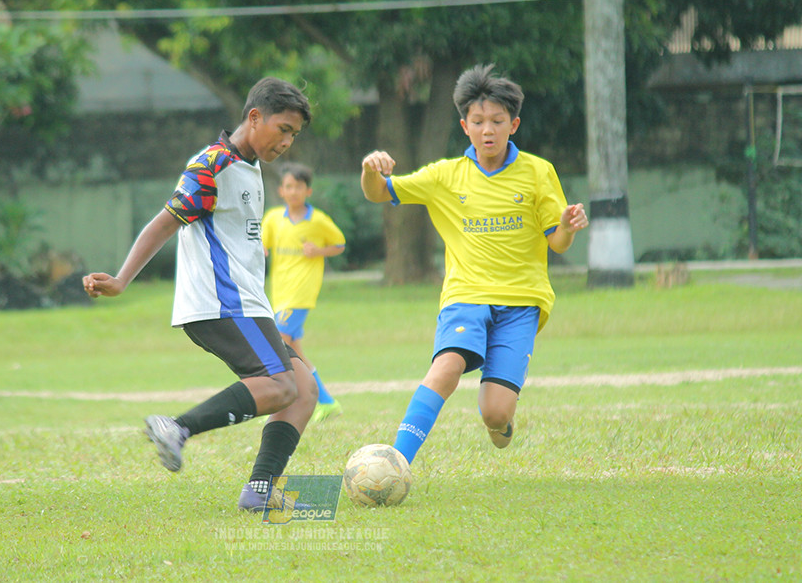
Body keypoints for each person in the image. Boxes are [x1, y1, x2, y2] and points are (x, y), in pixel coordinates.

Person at [83, 77, 318, 512]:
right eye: (283, 129)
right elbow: (165, 222)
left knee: (303, 389)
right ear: (254, 117)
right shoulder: (213, 164)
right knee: (282, 385)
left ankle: (259, 493)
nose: (288, 142)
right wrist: (120, 280)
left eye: (294, 135)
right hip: (220, 303)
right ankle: (176, 427)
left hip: (246, 303)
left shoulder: (248, 165)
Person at [360, 63, 588, 465]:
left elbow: (557, 242)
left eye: (497, 121)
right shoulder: (446, 176)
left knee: (495, 412)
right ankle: (397, 462)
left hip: (522, 303)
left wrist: (568, 227)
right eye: (478, 121)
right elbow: (380, 193)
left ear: (513, 125)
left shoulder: (538, 173)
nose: (488, 130)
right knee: (446, 368)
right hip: (466, 295)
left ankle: (500, 423)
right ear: (464, 126)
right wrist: (369, 170)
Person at [262, 162, 346, 423]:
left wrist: (319, 251)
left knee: (278, 342)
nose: (294, 191)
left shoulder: (318, 220)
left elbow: (339, 244)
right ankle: (327, 402)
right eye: (289, 186)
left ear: (308, 191)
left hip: (300, 294)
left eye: (299, 187)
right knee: (293, 349)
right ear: (281, 191)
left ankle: (281, 404)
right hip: (280, 294)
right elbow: (261, 247)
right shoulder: (274, 218)